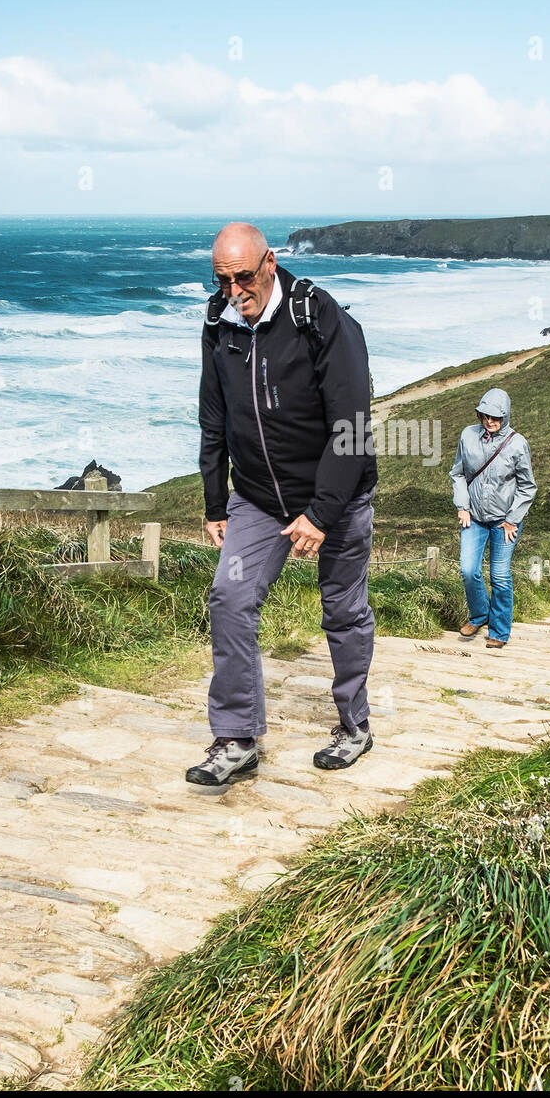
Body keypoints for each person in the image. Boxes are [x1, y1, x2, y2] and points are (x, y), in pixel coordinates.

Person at [186, 222, 378, 789]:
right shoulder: (218, 323)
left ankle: (354, 726)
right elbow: (213, 415)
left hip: (336, 494)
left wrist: (321, 512)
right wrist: (214, 501)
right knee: (229, 596)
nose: (234, 290)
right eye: (223, 279)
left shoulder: (318, 316)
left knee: (342, 609)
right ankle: (238, 737)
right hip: (258, 499)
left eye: (244, 276)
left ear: (270, 262)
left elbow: (354, 424)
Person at [450, 388, 537, 649]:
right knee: (468, 569)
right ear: (479, 414)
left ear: (506, 416)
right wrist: (462, 506)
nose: (491, 422)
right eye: (486, 416)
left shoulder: (517, 444)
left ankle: (499, 631)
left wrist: (513, 519)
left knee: (499, 575)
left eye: (497, 417)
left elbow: (527, 486)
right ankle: (479, 615)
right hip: (474, 517)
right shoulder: (467, 435)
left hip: (505, 521)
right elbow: (458, 473)